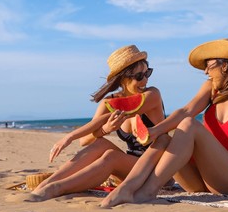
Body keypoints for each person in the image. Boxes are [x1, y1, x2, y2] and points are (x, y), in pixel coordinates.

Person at [101, 38, 228, 208]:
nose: (205, 72)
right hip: (200, 181)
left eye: (209, 66)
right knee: (165, 138)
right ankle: (129, 188)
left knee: (188, 124)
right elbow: (187, 110)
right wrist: (155, 131)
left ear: (225, 65)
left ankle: (147, 192)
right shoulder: (212, 88)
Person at [31, 45, 167, 200]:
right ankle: (46, 184)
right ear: (123, 77)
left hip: (157, 168)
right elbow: (85, 141)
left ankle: (58, 188)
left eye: (147, 72)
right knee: (100, 144)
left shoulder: (152, 94)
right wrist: (105, 130)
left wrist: (69, 136)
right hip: (130, 167)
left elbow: (124, 111)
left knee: (111, 155)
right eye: (139, 76)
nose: (146, 79)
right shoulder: (109, 102)